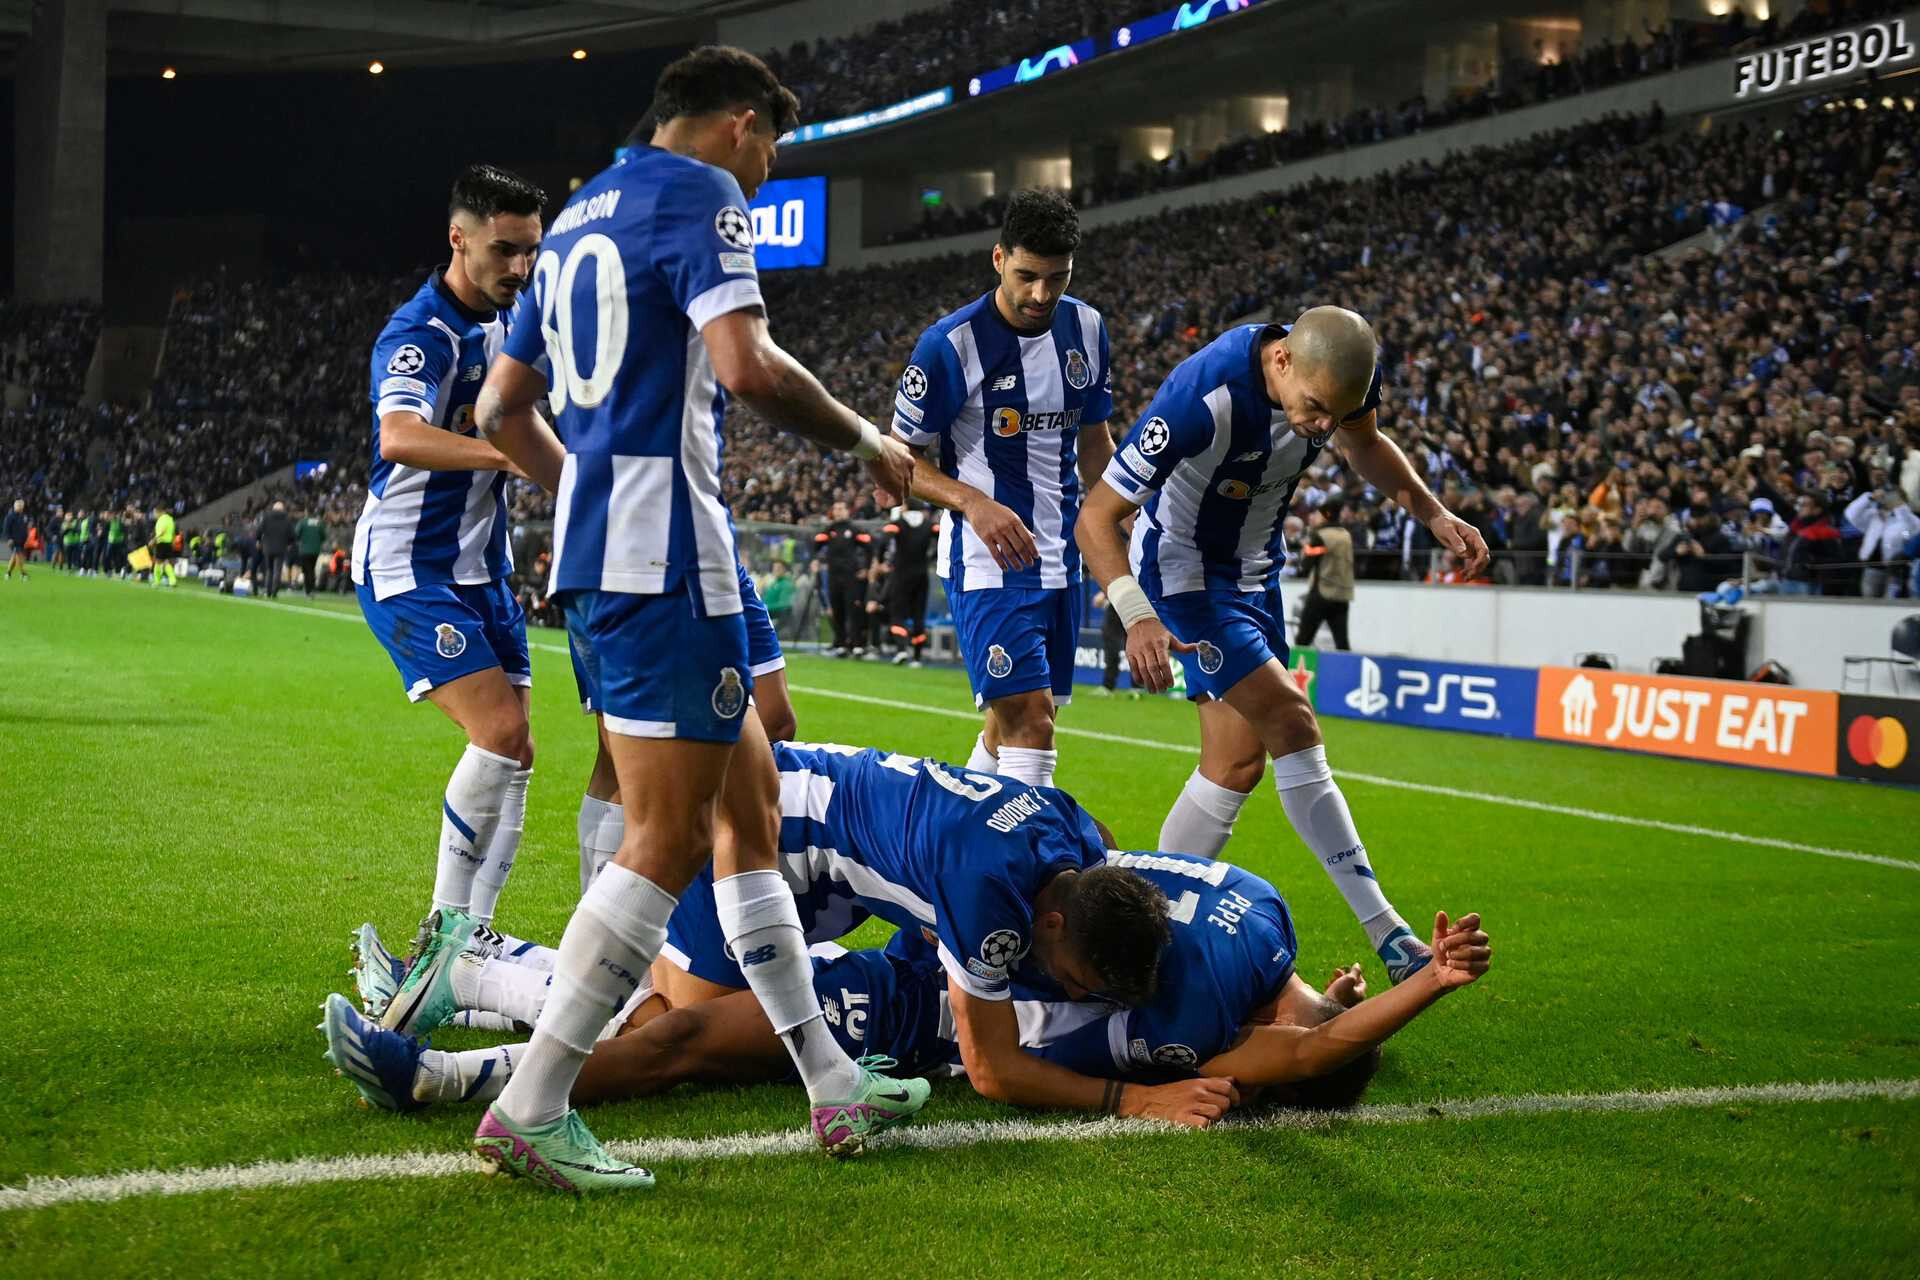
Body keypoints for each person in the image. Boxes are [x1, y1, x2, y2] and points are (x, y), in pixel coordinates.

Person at [471, 45, 923, 1190]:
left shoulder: (576, 216)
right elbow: (747, 362)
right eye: (771, 143)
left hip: (614, 556)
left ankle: (830, 1081)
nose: (768, 169)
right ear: (733, 123)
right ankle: (532, 1103)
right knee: (665, 838)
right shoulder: (700, 191)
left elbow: (498, 406)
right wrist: (871, 442)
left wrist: (587, 492)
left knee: (751, 810)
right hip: (666, 558)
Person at [337, 740, 1214, 1124]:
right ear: (1052, 920)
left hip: (828, 848)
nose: (1062, 990)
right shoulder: (994, 899)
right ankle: (477, 980)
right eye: (1070, 974)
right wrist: (1134, 1102)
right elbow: (989, 1069)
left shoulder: (1071, 839)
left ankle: (478, 988)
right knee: (663, 1023)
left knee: (680, 1022)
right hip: (777, 835)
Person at [326, 846, 1492, 1124]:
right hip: (928, 1004)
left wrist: (1354, 994)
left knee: (679, 1024)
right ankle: (445, 1054)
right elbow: (1304, 1056)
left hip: (937, 967)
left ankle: (461, 988)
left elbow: (1306, 1034)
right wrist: (1428, 983)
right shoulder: (1204, 1029)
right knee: (681, 1030)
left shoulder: (1255, 916)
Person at [1076, 307, 1490, 983]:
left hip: (1255, 575)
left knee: (1236, 764)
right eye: (1316, 409)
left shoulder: (1342, 379)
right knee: (1292, 720)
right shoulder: (1202, 396)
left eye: (1337, 412)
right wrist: (1137, 613)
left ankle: (1146, 917)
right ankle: (1392, 939)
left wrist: (1432, 512)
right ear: (1281, 363)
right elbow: (1096, 515)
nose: (1325, 425)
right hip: (1183, 577)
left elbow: (1364, 444)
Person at [349, 164, 548, 976]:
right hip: (410, 566)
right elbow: (398, 435)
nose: (520, 269)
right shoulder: (421, 333)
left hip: (484, 571)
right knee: (498, 734)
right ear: (457, 238)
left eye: (531, 251)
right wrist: (513, 457)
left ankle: (477, 933)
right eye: (504, 251)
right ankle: (443, 939)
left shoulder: (517, 317)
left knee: (520, 751)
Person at [890, 189, 1114, 789]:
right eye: (1027, 276)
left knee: (1009, 724)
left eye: (1057, 279)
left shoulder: (1087, 329)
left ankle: (954, 842)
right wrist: (973, 502)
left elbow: (1096, 446)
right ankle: (1028, 873)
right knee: (1031, 724)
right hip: (986, 561)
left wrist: (1124, 535)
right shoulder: (950, 344)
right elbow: (896, 460)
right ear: (997, 259)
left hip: (1062, 561)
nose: (1042, 295)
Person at [813, 501, 872, 656]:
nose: (838, 512)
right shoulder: (829, 530)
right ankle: (841, 643)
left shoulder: (854, 529)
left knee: (853, 609)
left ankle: (857, 643)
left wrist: (866, 568)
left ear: (847, 511)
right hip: (833, 575)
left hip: (851, 576)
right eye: (835, 509)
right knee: (837, 609)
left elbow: (870, 546)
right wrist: (815, 560)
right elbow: (815, 544)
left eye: (841, 509)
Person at [882, 502, 937, 665]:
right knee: (919, 614)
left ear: (905, 507)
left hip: (901, 574)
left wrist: (883, 560)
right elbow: (943, 539)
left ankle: (901, 649)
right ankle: (917, 657)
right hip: (921, 574)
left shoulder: (898, 524)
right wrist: (931, 558)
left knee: (898, 613)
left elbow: (884, 541)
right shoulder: (929, 525)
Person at [1295, 500, 1354, 650]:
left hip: (1321, 593)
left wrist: (1304, 551)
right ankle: (1345, 672)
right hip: (1342, 595)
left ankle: (1294, 672)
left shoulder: (1320, 535)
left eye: (1317, 514)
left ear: (1325, 516)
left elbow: (1306, 566)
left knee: (1303, 640)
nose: (1313, 518)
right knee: (1342, 643)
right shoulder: (1346, 535)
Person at [1844, 487, 1919, 598]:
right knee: (1869, 601)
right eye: (1886, 496)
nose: (1889, 499)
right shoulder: (1873, 516)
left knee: (1893, 601)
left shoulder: (1909, 518)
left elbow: (1912, 527)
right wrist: (1869, 497)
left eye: (1894, 497)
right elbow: (1850, 514)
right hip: (1872, 567)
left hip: (1897, 570)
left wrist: (1899, 506)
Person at [256, 501, 293, 599]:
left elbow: (259, 531)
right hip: (281, 548)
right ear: (282, 509)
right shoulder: (287, 519)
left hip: (268, 548)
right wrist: (289, 543)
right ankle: (274, 592)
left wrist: (259, 541)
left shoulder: (266, 517)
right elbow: (292, 534)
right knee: (278, 570)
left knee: (269, 570)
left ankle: (267, 591)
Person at [293, 507, 327, 597]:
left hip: (304, 550)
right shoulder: (319, 523)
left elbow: (296, 534)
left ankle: (308, 589)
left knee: (306, 570)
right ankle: (312, 588)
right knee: (312, 569)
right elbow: (323, 536)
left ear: (306, 512)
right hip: (315, 550)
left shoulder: (303, 522)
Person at [760, 559, 794, 637]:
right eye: (774, 568)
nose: (775, 570)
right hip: (766, 613)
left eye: (779, 568)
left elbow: (784, 605)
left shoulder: (786, 584)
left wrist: (765, 607)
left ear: (785, 570)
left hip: (774, 615)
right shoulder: (774, 583)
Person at [150, 507, 178, 588]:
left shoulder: (162, 519)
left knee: (158, 562)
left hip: (161, 542)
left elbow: (162, 531)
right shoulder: (170, 519)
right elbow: (173, 532)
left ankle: (157, 582)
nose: (154, 515)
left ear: (159, 512)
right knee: (166, 562)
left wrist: (154, 540)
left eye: (154, 513)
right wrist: (172, 542)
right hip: (168, 543)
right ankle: (173, 581)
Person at [4, 500, 28, 580]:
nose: (21, 507)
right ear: (15, 506)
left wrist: (26, 538)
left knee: (14, 558)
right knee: (19, 556)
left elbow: (24, 529)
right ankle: (23, 574)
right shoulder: (10, 517)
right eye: (19, 506)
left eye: (22, 506)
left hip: (21, 541)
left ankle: (8, 573)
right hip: (13, 540)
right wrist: (9, 538)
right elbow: (6, 529)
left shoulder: (23, 516)